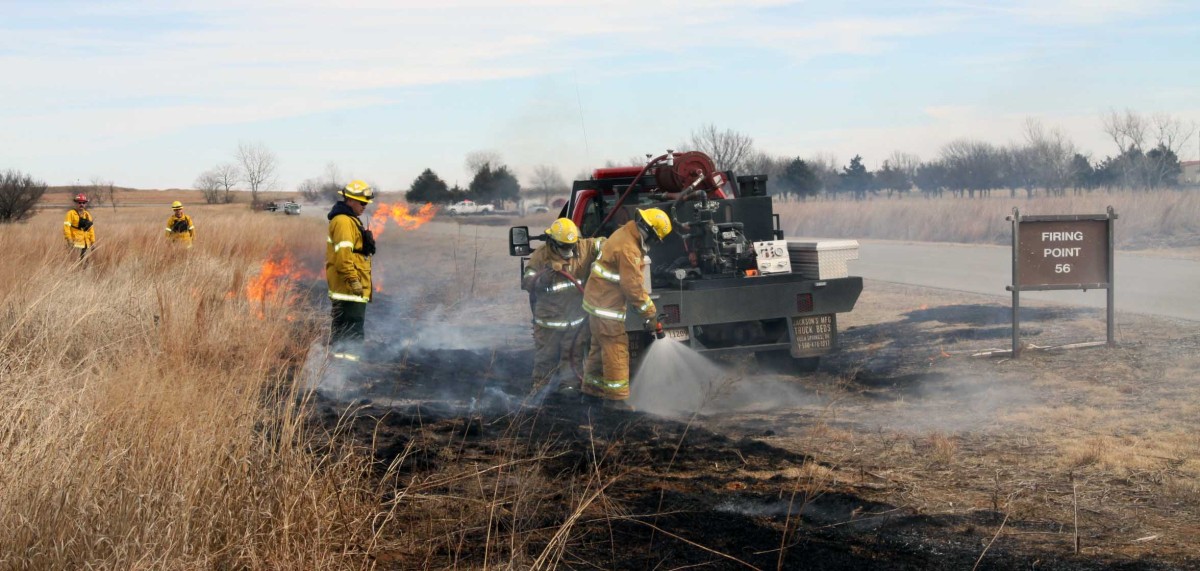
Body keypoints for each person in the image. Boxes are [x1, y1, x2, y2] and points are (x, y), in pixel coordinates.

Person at [580, 207, 672, 405]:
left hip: (598, 304)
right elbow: (633, 287)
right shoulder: (629, 249)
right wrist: (651, 315)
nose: (654, 244)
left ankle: (591, 394)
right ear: (650, 232)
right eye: (655, 239)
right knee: (616, 350)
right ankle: (616, 402)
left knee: (599, 349)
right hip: (606, 308)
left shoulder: (625, 233)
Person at [521, 218, 604, 394]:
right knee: (546, 357)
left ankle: (569, 390)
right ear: (553, 241)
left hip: (576, 320)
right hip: (549, 321)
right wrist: (541, 280)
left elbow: (607, 244)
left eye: (571, 246)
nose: (569, 250)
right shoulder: (541, 256)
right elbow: (527, 281)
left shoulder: (583, 247)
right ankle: (540, 390)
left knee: (572, 357)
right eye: (564, 247)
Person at [325, 179, 375, 361]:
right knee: (352, 329)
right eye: (362, 202)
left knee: (342, 330)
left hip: (346, 287)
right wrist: (353, 280)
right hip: (348, 287)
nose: (364, 206)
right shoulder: (344, 222)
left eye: (366, 203)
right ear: (351, 201)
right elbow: (344, 256)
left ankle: (337, 365)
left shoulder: (348, 220)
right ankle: (349, 369)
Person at [63, 193, 95, 259]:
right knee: (74, 263)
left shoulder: (87, 214)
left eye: (83, 203)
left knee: (85, 263)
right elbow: (66, 228)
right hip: (75, 244)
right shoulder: (71, 213)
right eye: (79, 202)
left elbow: (91, 230)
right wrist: (69, 240)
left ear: (85, 204)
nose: (81, 204)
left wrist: (92, 242)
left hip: (86, 243)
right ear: (76, 203)